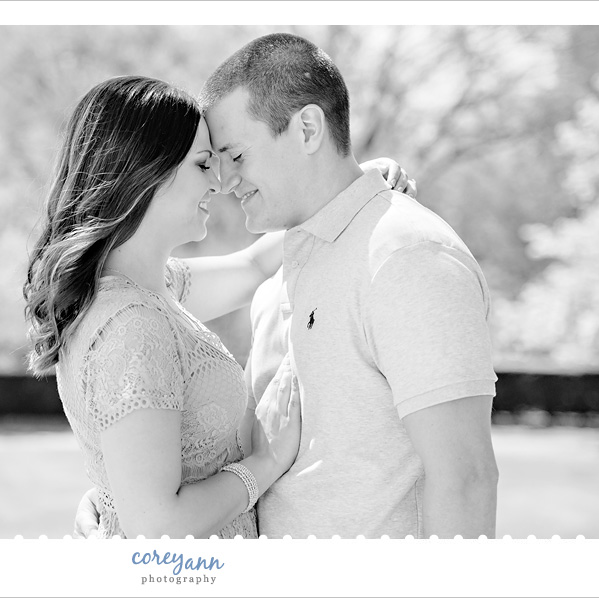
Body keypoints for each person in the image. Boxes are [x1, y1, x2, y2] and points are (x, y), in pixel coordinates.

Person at [24, 75, 415, 539]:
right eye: (203, 164)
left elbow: (252, 267)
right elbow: (156, 526)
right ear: (148, 171)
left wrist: (350, 182)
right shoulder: (132, 325)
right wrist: (263, 465)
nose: (220, 182)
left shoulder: (153, 289)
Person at [200, 33, 499, 539]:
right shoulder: (282, 273)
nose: (226, 181)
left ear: (308, 128)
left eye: (236, 155)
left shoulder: (406, 256)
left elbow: (466, 479)